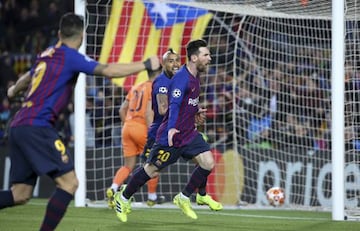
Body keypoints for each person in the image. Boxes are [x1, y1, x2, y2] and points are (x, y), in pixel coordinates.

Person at [0, 12, 160, 231]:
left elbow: (27, 77)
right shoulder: (70, 56)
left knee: (20, 194)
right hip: (38, 127)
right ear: (82, 36)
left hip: (18, 125)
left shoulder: (46, 53)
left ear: (59, 33)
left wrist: (12, 90)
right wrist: (144, 64)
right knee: (70, 183)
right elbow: (109, 71)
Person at [113, 39, 223, 223]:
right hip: (170, 135)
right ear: (195, 58)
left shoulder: (195, 76)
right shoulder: (181, 78)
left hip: (188, 133)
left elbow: (186, 103)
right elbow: (173, 104)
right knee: (151, 170)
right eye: (206, 55)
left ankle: (185, 196)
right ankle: (123, 198)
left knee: (207, 162)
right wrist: (171, 128)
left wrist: (196, 111)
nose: (210, 58)